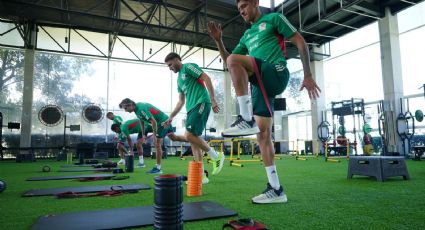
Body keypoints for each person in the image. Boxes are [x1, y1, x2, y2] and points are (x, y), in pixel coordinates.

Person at [207, 0, 321, 203]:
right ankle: (276, 190)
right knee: (262, 136)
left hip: (275, 72)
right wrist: (218, 41)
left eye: (244, 5)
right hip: (260, 84)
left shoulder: (273, 19)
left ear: (256, 3)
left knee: (235, 60)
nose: (241, 11)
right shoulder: (247, 35)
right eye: (239, 8)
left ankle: (244, 118)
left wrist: (308, 75)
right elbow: (229, 61)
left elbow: (299, 41)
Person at [163, 52, 225, 183]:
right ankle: (201, 176)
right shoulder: (179, 80)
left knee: (189, 135)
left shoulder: (188, 67)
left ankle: (216, 155)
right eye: (168, 66)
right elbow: (180, 102)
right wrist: (171, 117)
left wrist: (213, 100)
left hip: (201, 103)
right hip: (191, 109)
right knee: (193, 142)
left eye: (170, 64)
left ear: (177, 60)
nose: (170, 68)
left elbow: (206, 78)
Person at [119, 98, 188, 175]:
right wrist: (143, 134)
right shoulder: (136, 109)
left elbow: (153, 121)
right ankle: (192, 140)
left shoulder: (141, 109)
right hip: (164, 119)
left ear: (130, 105)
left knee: (156, 143)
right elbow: (141, 121)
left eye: (126, 108)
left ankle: (158, 168)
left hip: (161, 122)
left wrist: (155, 134)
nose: (125, 110)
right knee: (174, 138)